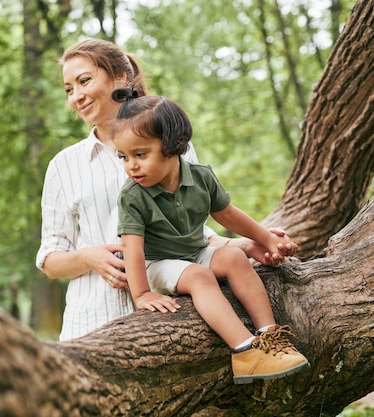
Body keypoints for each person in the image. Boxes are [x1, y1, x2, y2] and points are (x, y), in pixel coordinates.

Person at [36, 38, 297, 342]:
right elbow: (50, 261)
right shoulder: (64, 165)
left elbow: (192, 228)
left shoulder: (172, 145)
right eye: (68, 89)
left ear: (120, 77)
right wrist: (90, 257)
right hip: (94, 322)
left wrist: (244, 245)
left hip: (170, 320)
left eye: (84, 81)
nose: (76, 96)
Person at [112, 90, 309, 383]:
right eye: (124, 157)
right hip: (157, 263)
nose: (131, 165)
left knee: (233, 256)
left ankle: (270, 336)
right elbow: (133, 249)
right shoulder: (132, 196)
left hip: (194, 252)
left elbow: (227, 214)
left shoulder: (201, 176)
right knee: (199, 277)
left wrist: (267, 239)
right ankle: (245, 351)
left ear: (174, 145)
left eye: (140, 154)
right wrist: (141, 294)